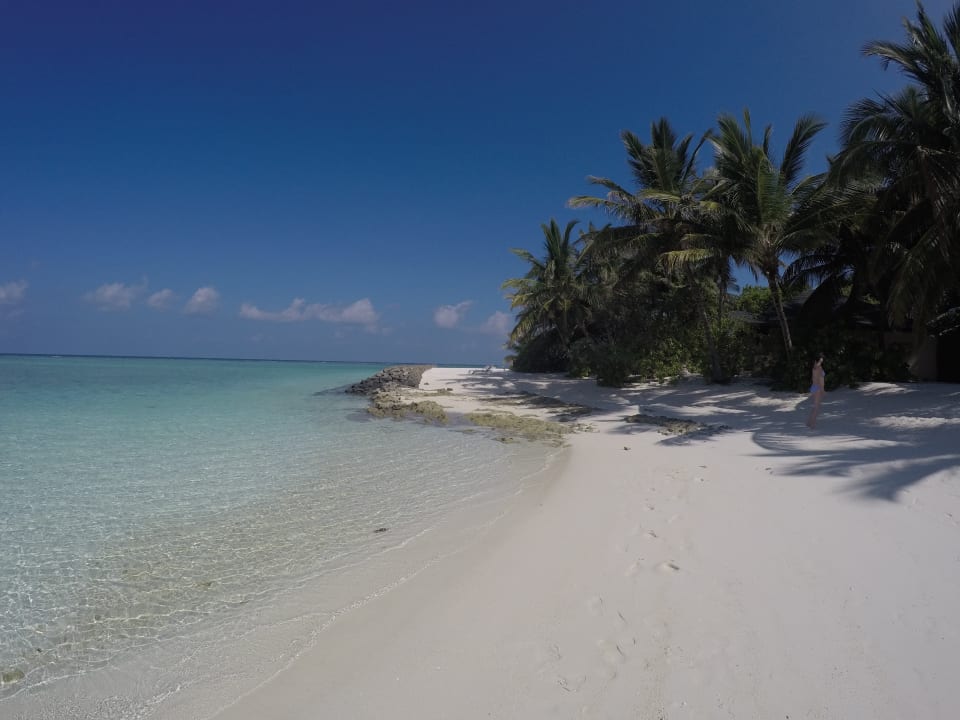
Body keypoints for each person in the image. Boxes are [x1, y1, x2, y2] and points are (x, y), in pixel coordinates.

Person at [806, 354, 826, 428]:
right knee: (816, 407)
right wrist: (822, 390)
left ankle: (809, 422)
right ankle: (812, 424)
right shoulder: (819, 368)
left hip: (813, 387)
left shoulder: (814, 368)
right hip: (818, 388)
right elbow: (821, 380)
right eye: (820, 361)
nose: (821, 362)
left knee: (815, 407)